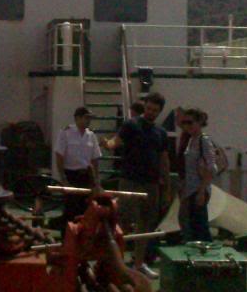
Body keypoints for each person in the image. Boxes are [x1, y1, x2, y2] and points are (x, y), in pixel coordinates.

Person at [103, 93, 170, 279]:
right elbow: (117, 141)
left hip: (151, 183)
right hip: (130, 181)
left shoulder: (161, 133)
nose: (151, 112)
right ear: (145, 106)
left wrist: (166, 186)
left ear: (159, 112)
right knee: (124, 222)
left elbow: (164, 160)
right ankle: (119, 263)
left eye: (155, 110)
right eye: (148, 108)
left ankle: (139, 264)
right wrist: (108, 144)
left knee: (146, 225)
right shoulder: (131, 125)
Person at [55, 107, 102, 228]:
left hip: (85, 176)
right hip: (71, 175)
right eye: (86, 118)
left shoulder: (91, 136)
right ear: (77, 118)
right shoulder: (66, 133)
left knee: (85, 209)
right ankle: (67, 239)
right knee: (70, 210)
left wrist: (96, 181)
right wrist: (63, 179)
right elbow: (59, 156)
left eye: (90, 118)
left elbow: (95, 159)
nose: (88, 121)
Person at [177, 108, 217, 243]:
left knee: (200, 226)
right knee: (188, 223)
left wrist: (201, 191)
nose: (186, 126)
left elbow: (211, 167)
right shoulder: (191, 140)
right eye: (184, 123)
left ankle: (206, 255)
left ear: (199, 122)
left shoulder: (203, 140)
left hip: (199, 189)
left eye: (190, 122)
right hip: (189, 188)